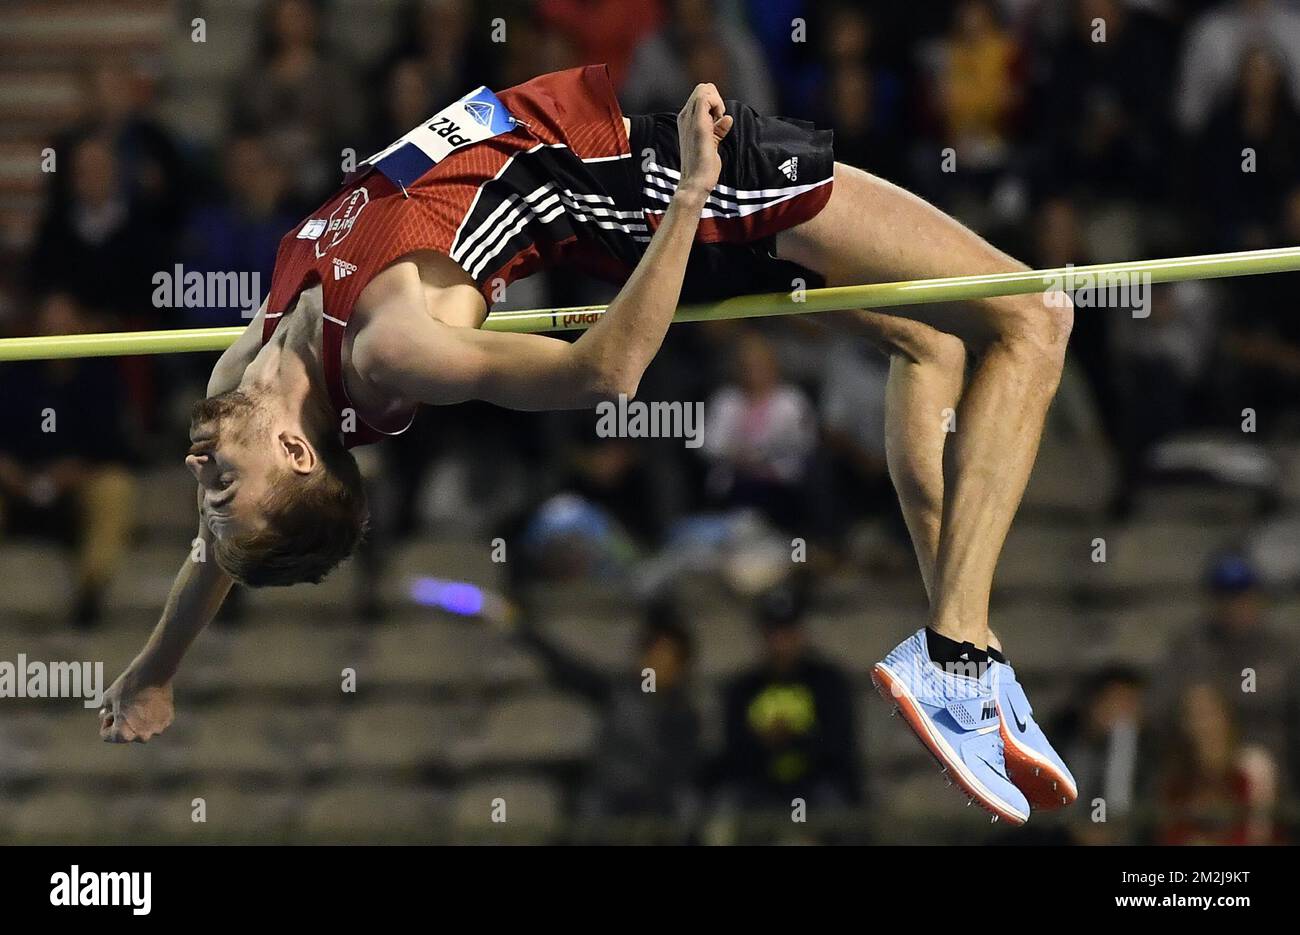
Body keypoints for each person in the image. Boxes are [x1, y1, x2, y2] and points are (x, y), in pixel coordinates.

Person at [98, 65, 1075, 828]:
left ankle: (968, 649)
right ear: (298, 454)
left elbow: (212, 551)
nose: (196, 472)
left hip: (633, 209)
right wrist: (692, 190)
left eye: (210, 487)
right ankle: (953, 651)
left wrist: (156, 666)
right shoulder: (390, 347)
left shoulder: (245, 369)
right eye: (222, 480)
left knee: (930, 341)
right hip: (660, 185)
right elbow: (600, 377)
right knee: (1038, 314)